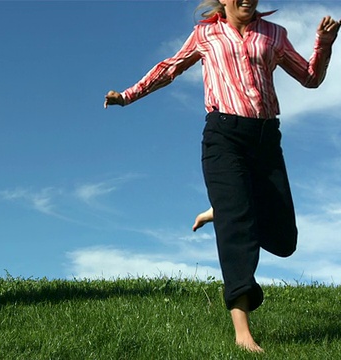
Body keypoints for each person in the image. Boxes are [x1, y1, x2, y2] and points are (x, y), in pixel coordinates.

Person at [104, 0, 339, 352]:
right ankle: (242, 331)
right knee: (238, 234)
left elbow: (310, 78)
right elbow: (169, 69)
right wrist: (127, 96)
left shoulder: (274, 34)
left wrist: (324, 45)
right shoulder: (205, 34)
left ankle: (226, 208)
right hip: (223, 136)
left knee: (285, 240)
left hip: (265, 139)